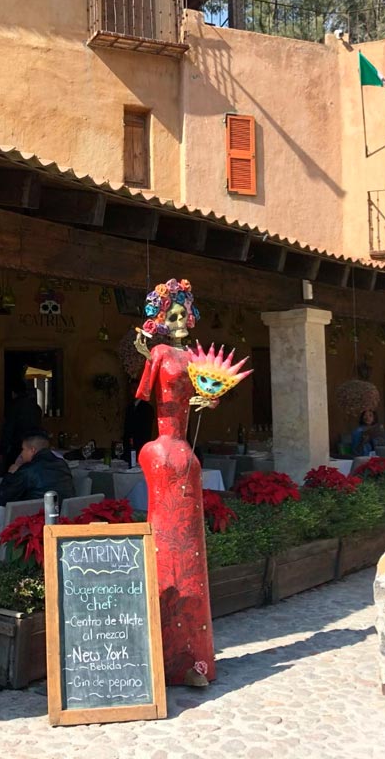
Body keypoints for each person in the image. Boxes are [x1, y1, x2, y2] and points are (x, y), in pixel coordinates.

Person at [133, 277, 216, 687]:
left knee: (190, 555)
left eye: (185, 313)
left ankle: (194, 657)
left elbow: (203, 391)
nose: (181, 320)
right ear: (162, 319)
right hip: (165, 452)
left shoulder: (197, 356)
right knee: (168, 551)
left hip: (186, 454)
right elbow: (147, 395)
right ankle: (166, 656)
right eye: (173, 314)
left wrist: (209, 397)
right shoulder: (161, 353)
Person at [0, 428, 74, 505]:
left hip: (37, 516)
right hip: (64, 516)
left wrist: (10, 474)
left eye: (23, 449)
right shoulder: (62, 464)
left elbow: (2, 498)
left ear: (32, 450)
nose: (21, 453)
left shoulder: (28, 469)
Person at [0, 379, 43, 471]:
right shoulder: (36, 406)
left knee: (14, 472)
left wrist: (2, 449)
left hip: (17, 447)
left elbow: (8, 429)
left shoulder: (14, 406)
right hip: (34, 446)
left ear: (13, 393)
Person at [123, 380, 154, 458]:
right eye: (131, 389)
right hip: (129, 446)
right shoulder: (130, 407)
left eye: (134, 389)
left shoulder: (147, 408)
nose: (132, 392)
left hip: (141, 445)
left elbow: (146, 430)